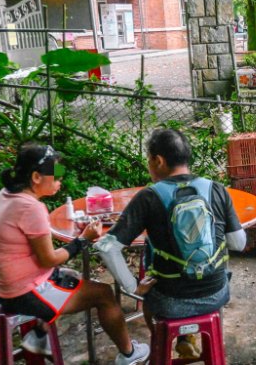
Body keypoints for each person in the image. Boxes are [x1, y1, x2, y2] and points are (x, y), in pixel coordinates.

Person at [0, 144, 149, 364]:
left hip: (5, 288)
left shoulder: (7, 195)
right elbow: (49, 259)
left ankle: (41, 332)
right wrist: (83, 240)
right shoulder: (31, 209)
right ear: (36, 177)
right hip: (25, 293)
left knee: (69, 275)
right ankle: (129, 354)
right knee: (104, 294)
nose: (60, 181)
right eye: (57, 175)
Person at [95, 129, 246, 358]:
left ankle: (164, 345)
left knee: (149, 300)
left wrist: (133, 287)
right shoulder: (216, 189)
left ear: (158, 160)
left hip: (170, 302)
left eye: (149, 161)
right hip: (217, 294)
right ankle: (194, 341)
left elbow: (107, 247)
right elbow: (238, 243)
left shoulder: (149, 197)